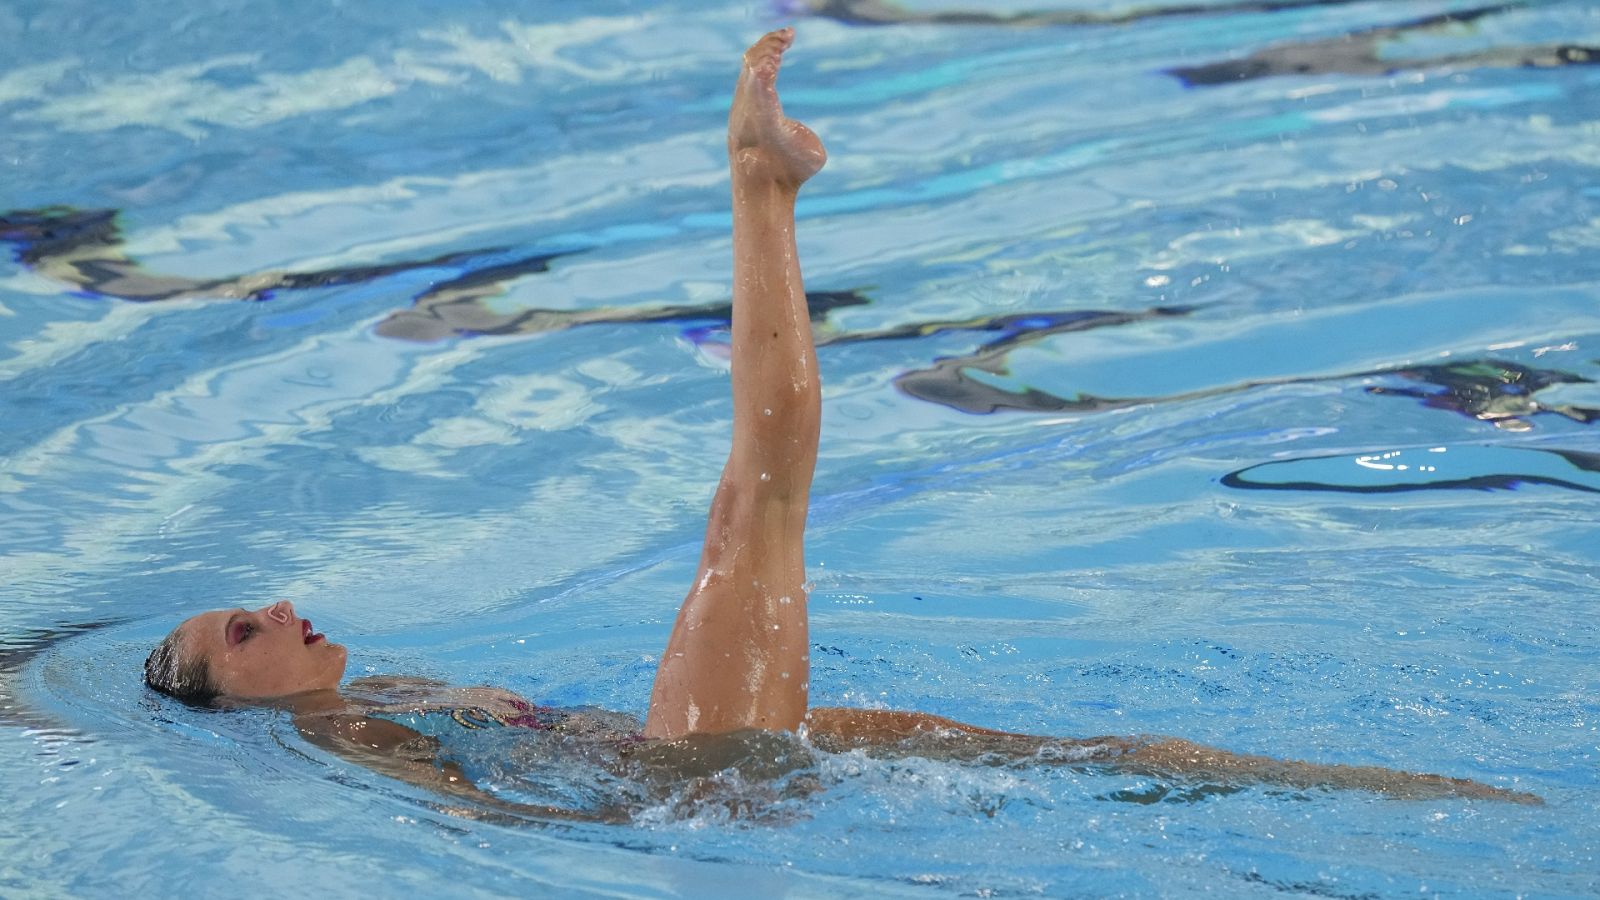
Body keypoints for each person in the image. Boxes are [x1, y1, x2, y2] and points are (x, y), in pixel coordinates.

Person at [142, 29, 1536, 819]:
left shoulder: (362, 705)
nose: (276, 608)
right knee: (757, 504)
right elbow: (502, 824)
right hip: (690, 779)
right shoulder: (332, 742)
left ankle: (1367, 788)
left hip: (688, 763)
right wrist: (656, 813)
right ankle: (761, 190)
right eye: (242, 636)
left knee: (1063, 759)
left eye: (247, 608)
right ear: (234, 707)